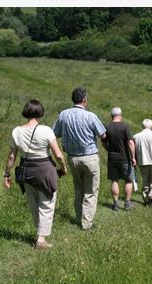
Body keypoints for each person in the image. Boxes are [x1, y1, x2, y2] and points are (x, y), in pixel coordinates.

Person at [4, 99, 67, 250]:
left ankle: (39, 235)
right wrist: (63, 167)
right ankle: (41, 239)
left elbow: (12, 156)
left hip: (26, 170)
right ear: (40, 112)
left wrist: (6, 174)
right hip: (45, 170)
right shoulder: (46, 130)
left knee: (34, 204)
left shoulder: (17, 131)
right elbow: (58, 155)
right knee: (47, 203)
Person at [53, 87, 106, 230]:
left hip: (72, 158)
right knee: (91, 191)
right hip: (90, 158)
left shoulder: (63, 115)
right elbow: (103, 135)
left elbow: (54, 135)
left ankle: (78, 218)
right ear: (84, 100)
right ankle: (86, 223)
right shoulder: (90, 116)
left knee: (79, 190)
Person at [103, 107, 136, 211]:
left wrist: (108, 149)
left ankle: (115, 204)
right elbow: (130, 143)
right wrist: (133, 157)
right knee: (129, 180)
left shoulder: (107, 126)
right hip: (124, 158)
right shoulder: (125, 126)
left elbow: (103, 141)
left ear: (111, 116)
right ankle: (127, 203)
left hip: (112, 158)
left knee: (114, 181)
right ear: (120, 115)